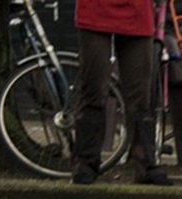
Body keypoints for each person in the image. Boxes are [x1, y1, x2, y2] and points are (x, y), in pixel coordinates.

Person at [71, 0, 171, 186]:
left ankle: (146, 165)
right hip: (95, 11)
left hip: (138, 13)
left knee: (140, 96)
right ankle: (85, 162)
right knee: (94, 88)